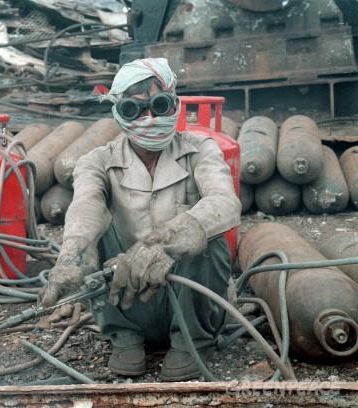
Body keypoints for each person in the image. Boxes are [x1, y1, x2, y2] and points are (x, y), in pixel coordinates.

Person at [38, 58, 241, 381]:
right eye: (135, 110)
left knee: (209, 235)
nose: (149, 119)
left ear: (174, 104)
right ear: (119, 113)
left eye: (159, 106)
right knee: (92, 233)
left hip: (187, 293)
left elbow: (225, 202)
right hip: (126, 292)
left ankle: (192, 341)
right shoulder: (97, 161)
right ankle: (124, 336)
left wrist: (168, 240)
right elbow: (85, 207)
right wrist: (71, 257)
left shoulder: (201, 148)